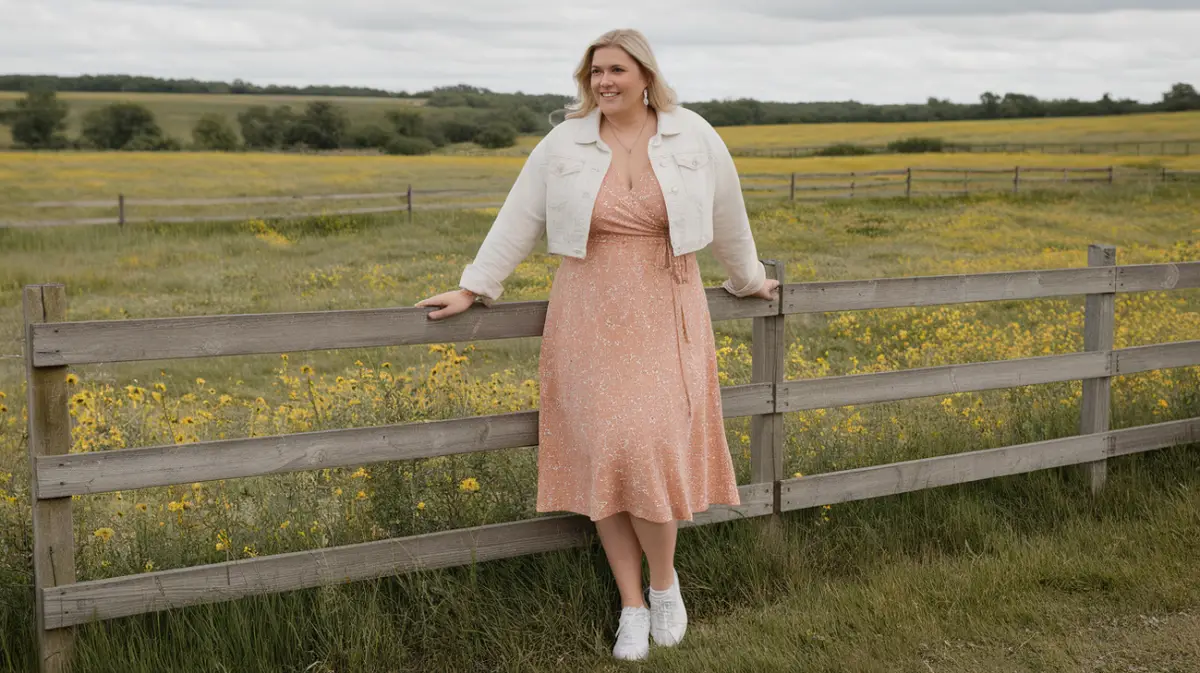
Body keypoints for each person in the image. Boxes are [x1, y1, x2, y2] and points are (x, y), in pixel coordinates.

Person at [416, 28, 779, 661]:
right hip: (588, 308)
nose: (602, 82)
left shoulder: (694, 134)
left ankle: (665, 587)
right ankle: (632, 604)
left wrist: (749, 281)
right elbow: (518, 217)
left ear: (644, 74)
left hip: (667, 305)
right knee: (606, 452)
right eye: (593, 73)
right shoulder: (565, 142)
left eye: (614, 70)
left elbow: (730, 217)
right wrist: (474, 288)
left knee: (650, 445)